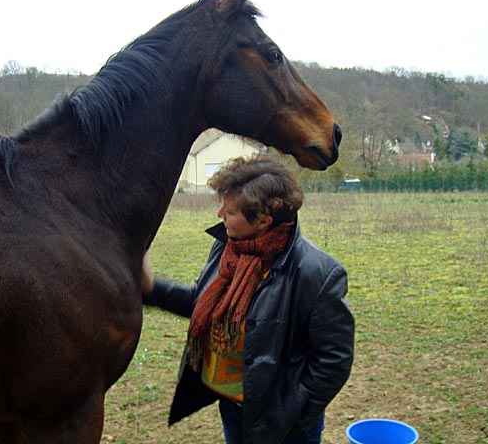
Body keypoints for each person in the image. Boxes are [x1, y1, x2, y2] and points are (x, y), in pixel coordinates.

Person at [141, 155, 354, 444]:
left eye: (229, 211)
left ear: (264, 221)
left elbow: (334, 360)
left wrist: (292, 416)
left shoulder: (317, 274)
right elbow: (203, 302)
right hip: (234, 407)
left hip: (284, 425)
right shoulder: (228, 248)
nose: (219, 215)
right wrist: (152, 289)